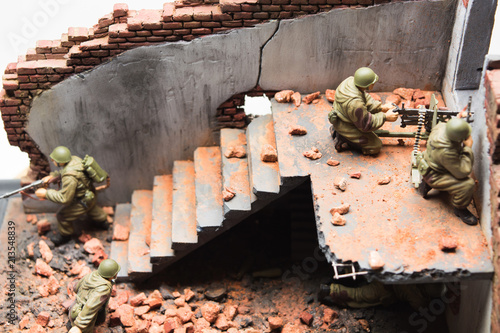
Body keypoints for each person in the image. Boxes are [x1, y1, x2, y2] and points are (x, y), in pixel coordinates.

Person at [35, 146, 110, 245]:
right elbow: (66, 171)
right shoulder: (75, 159)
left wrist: (46, 193)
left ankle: (65, 236)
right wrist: (52, 176)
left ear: (60, 162)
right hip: (89, 195)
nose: (53, 161)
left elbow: (64, 198)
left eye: (54, 160)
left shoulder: (69, 177)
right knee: (92, 208)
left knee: (62, 216)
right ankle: (103, 222)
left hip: (82, 201)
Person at [418, 118, 477, 225]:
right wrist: (468, 148)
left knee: (447, 166)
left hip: (428, 163)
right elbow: (463, 171)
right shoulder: (446, 151)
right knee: (468, 184)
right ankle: (460, 208)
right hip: (435, 175)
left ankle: (425, 185)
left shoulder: (441, 127)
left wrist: (459, 119)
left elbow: (451, 125)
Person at [328, 67, 399, 155]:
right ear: (367, 85)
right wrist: (385, 117)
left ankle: (339, 131)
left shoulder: (350, 82)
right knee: (375, 146)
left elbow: (365, 98)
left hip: (346, 116)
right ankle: (343, 137)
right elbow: (366, 124)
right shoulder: (355, 103)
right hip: (346, 124)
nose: (374, 84)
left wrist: (381, 107)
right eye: (373, 83)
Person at [68, 259, 120, 333]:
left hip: (74, 308)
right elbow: (90, 307)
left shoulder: (92, 275)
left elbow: (76, 288)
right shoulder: (103, 288)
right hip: (83, 316)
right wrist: (79, 326)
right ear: (113, 274)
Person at [318, 281, 446, 311]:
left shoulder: (416, 277)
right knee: (358, 295)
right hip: (384, 290)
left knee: (360, 290)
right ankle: (330, 290)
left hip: (384, 280)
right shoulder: (417, 295)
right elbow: (418, 305)